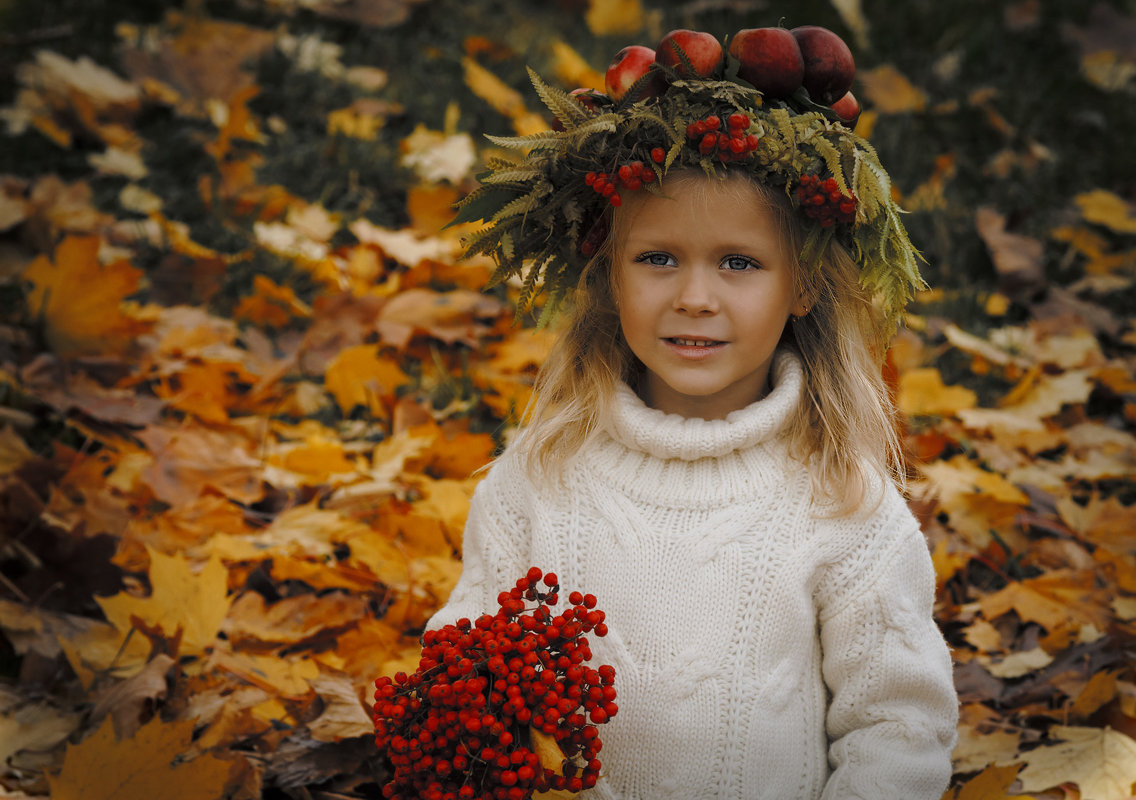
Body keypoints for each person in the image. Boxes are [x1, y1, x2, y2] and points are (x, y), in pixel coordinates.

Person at [427, 34, 958, 799]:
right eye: (658, 258)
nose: (695, 298)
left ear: (803, 286)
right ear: (608, 277)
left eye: (739, 263)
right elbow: (470, 666)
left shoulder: (843, 504)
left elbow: (898, 726)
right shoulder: (538, 480)